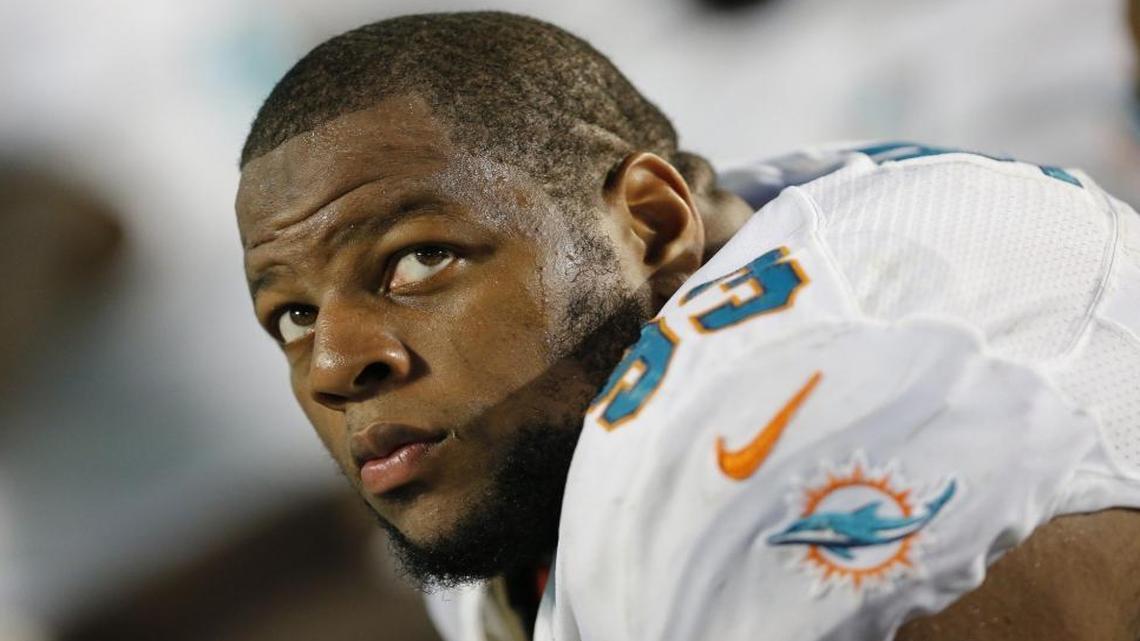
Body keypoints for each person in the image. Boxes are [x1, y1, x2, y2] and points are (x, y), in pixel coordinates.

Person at [234, 12, 1140, 641]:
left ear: (655, 226)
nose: (336, 362)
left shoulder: (746, 436)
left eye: (417, 259)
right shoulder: (530, 438)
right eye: (294, 314)